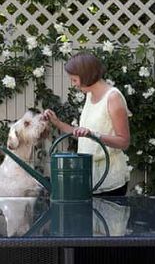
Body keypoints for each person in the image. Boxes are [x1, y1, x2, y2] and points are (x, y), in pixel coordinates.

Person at [43, 52, 132, 196]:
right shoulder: (90, 95)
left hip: (109, 181)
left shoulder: (113, 97)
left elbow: (124, 141)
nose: (74, 84)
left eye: (74, 80)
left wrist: (93, 135)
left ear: (86, 76)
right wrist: (56, 122)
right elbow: (83, 135)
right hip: (88, 178)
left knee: (108, 219)